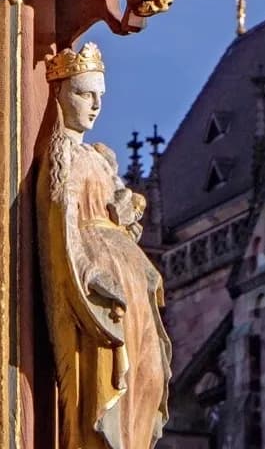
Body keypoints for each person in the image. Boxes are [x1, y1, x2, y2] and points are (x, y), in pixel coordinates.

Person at [37, 42, 171, 449]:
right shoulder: (63, 154)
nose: (94, 106)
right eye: (83, 93)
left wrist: (127, 211)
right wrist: (87, 271)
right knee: (111, 372)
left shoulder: (100, 156)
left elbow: (117, 211)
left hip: (129, 277)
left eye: (99, 97)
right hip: (100, 281)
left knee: (146, 375)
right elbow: (61, 223)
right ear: (58, 93)